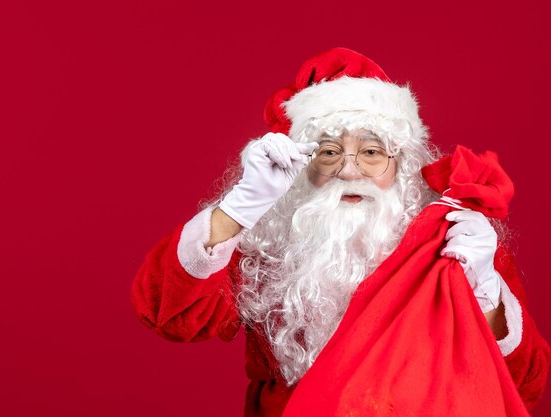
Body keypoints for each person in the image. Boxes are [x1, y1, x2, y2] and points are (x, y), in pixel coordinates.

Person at [132, 48, 550, 416]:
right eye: (328, 152)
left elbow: (523, 386)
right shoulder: (269, 245)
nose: (349, 170)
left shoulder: (456, 245)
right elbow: (167, 315)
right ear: (303, 163)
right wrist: (239, 209)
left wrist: (488, 295)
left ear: (401, 163)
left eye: (371, 152)